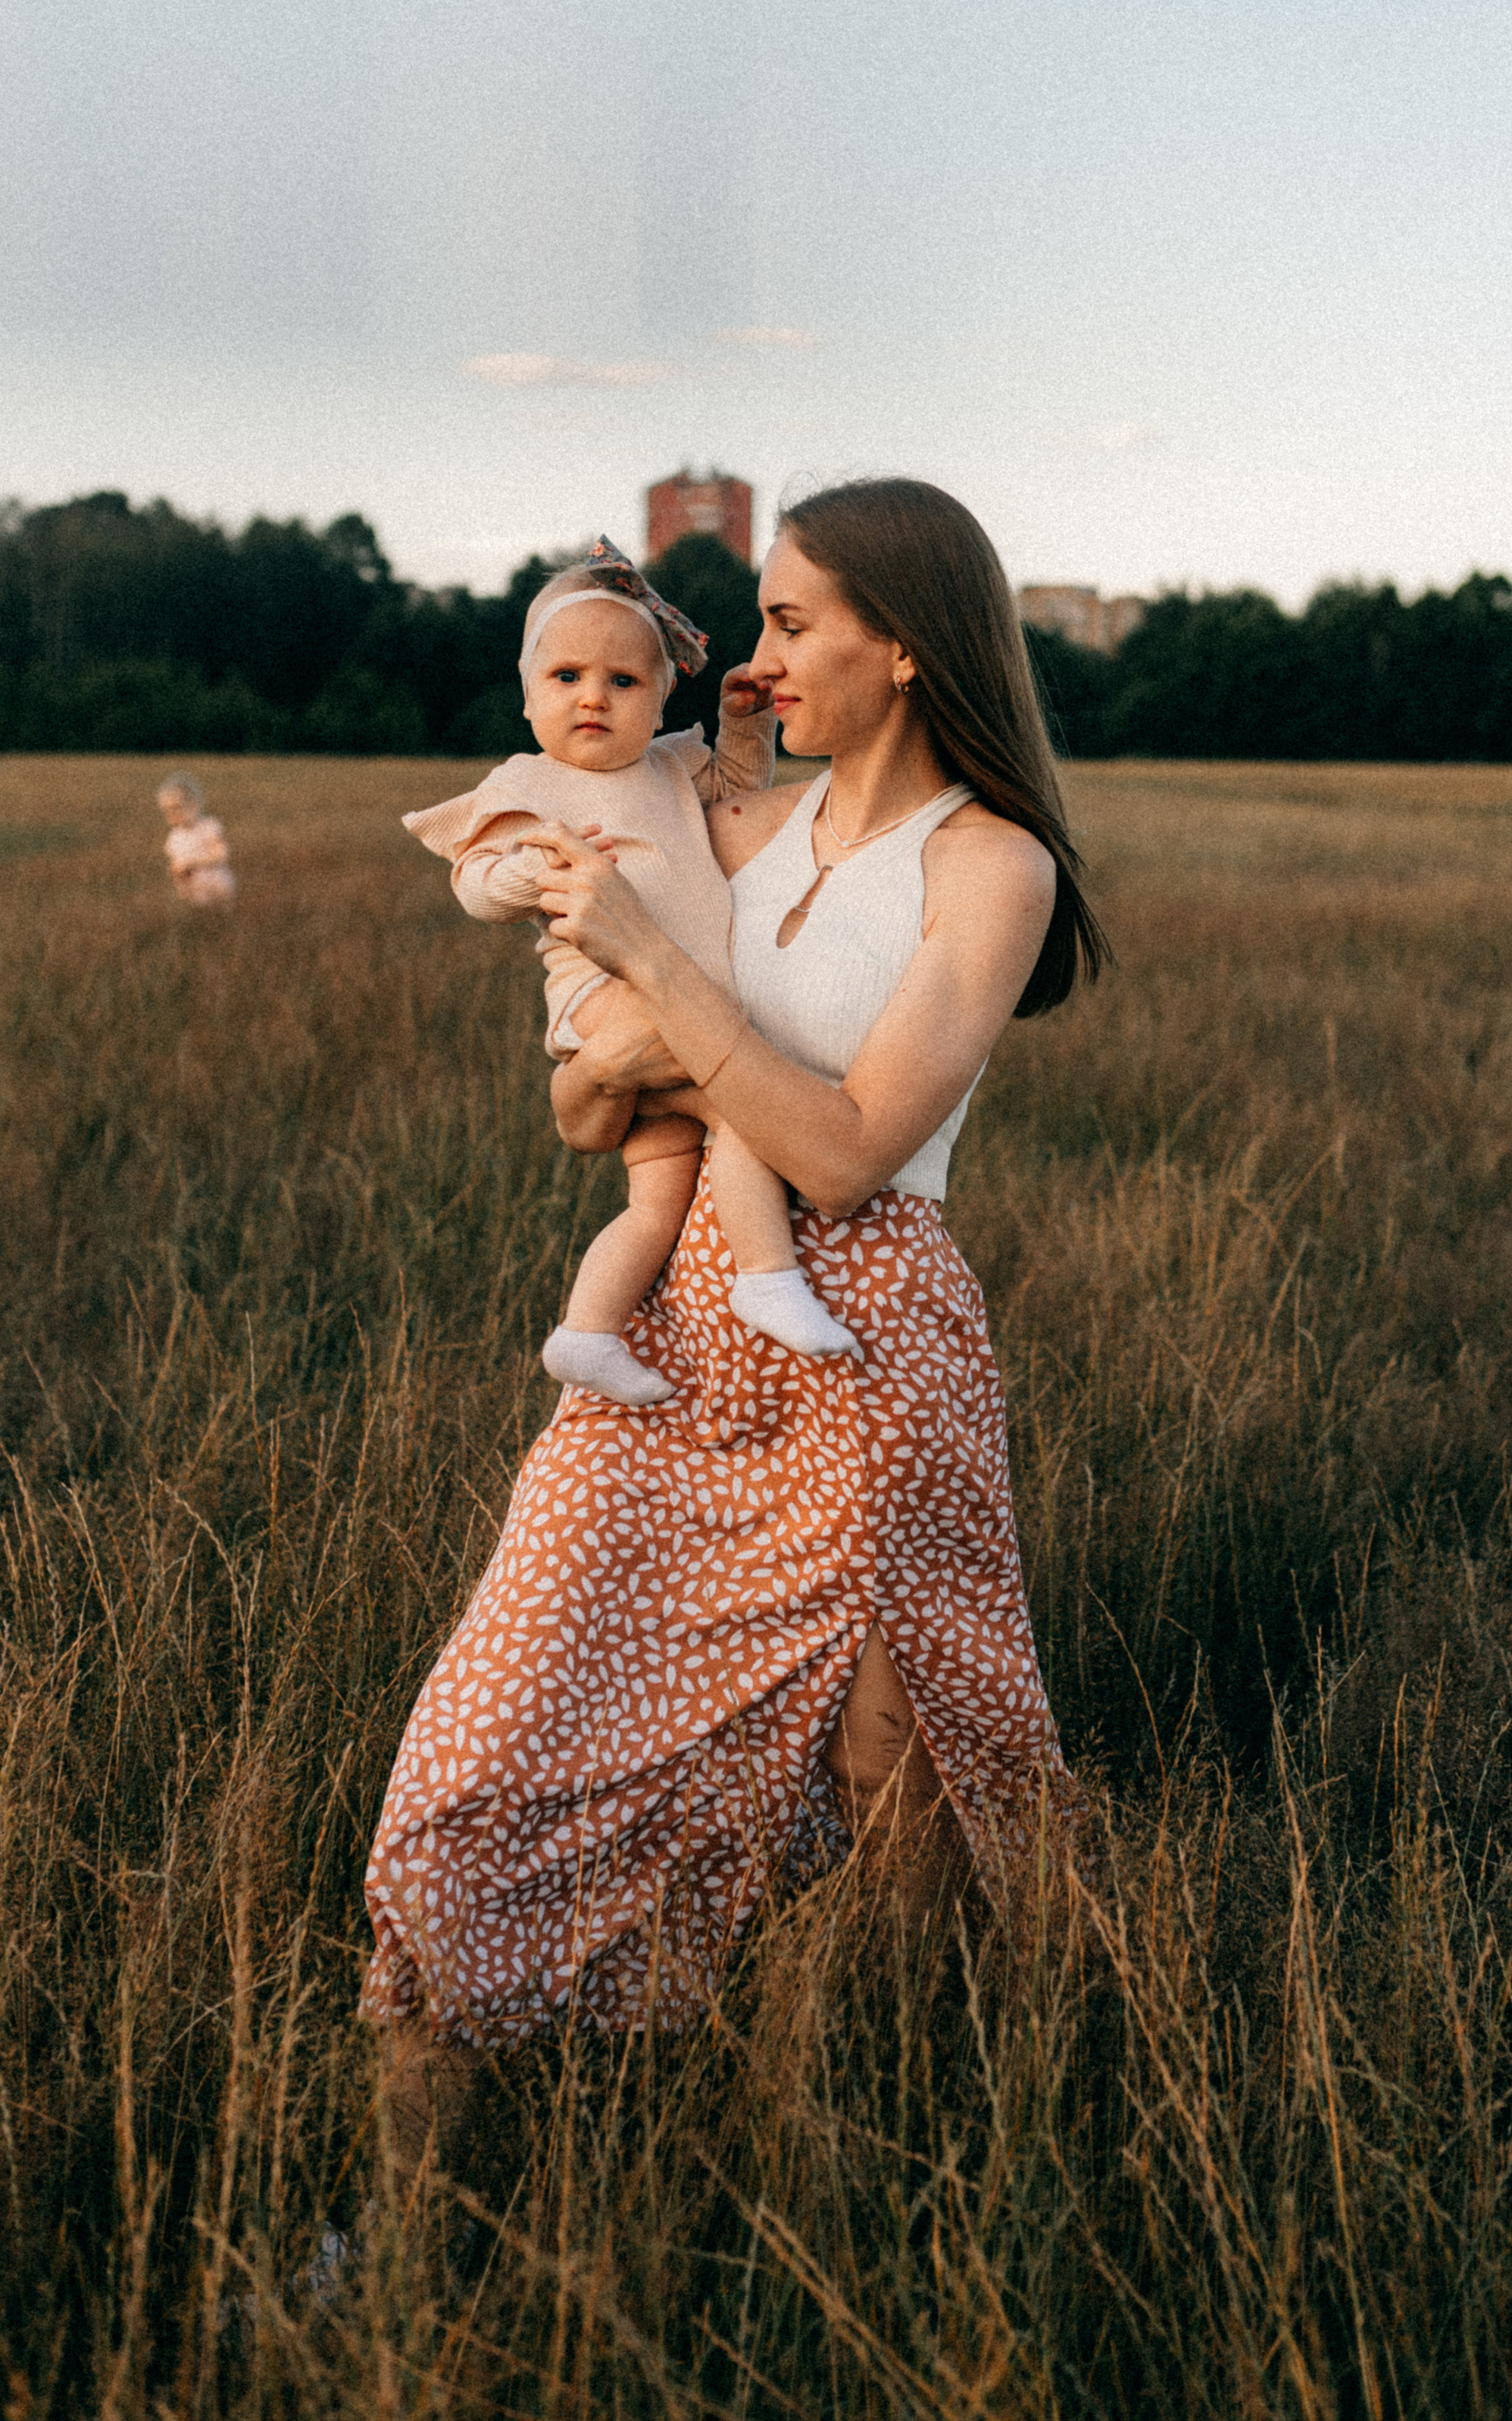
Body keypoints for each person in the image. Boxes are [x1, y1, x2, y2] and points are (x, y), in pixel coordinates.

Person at [360, 478, 1107, 2170]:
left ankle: (878, 2185)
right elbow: (580, 1115)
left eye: (785, 623)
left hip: (863, 1336)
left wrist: (650, 981)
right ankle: (392, 2236)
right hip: (679, 1317)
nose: (750, 660)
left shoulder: (992, 868)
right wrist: (622, 1035)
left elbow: (847, 1148)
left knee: (872, 1799)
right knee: (482, 1745)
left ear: (901, 648)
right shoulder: (733, 826)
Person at [404, 539, 861, 1402]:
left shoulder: (665, 766)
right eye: (567, 677)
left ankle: (588, 1331)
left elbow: (734, 784)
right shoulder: (529, 782)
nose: (593, 699)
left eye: (624, 683)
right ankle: (766, 1274)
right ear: (529, 690)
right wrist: (538, 872)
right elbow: (473, 882)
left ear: (658, 699)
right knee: (746, 1105)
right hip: (606, 999)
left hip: (672, 999)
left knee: (657, 1194)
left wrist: (744, 724)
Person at [157, 774, 236, 907]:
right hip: (191, 891)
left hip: (215, 887)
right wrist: (175, 870)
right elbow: (175, 862)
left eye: (178, 807)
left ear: (194, 804)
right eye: (168, 810)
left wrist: (193, 863)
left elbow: (222, 854)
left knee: (219, 915)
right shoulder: (174, 837)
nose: (174, 814)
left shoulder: (209, 827)